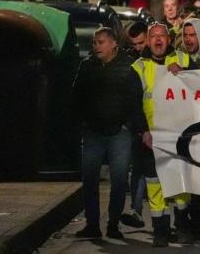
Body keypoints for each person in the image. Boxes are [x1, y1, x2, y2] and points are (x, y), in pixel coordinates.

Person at [71, 27, 145, 240]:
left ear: (114, 44)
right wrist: (83, 122)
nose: (96, 46)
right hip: (93, 132)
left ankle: (113, 224)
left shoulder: (129, 66)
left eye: (100, 42)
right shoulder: (87, 66)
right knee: (90, 180)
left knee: (119, 180)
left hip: (119, 133)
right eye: (94, 43)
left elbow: (135, 100)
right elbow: (76, 96)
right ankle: (92, 224)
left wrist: (130, 126)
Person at [132, 23, 193, 246]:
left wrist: (186, 74)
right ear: (148, 41)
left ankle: (183, 227)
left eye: (162, 36)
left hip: (178, 134)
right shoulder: (138, 67)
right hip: (151, 136)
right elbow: (133, 104)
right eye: (153, 37)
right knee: (154, 183)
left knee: (180, 182)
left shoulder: (184, 60)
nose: (158, 41)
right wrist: (143, 131)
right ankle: (160, 231)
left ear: (169, 39)